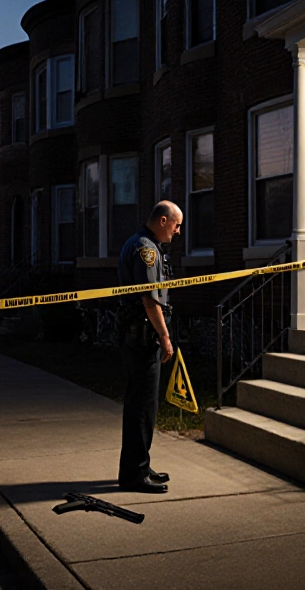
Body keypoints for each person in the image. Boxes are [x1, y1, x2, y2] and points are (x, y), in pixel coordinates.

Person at [115, 200, 182, 494]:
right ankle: (133, 475)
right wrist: (165, 337)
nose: (178, 232)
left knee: (141, 404)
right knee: (142, 406)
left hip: (137, 334)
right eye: (177, 225)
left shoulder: (141, 243)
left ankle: (140, 465)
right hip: (143, 336)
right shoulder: (146, 250)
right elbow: (149, 299)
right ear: (164, 220)